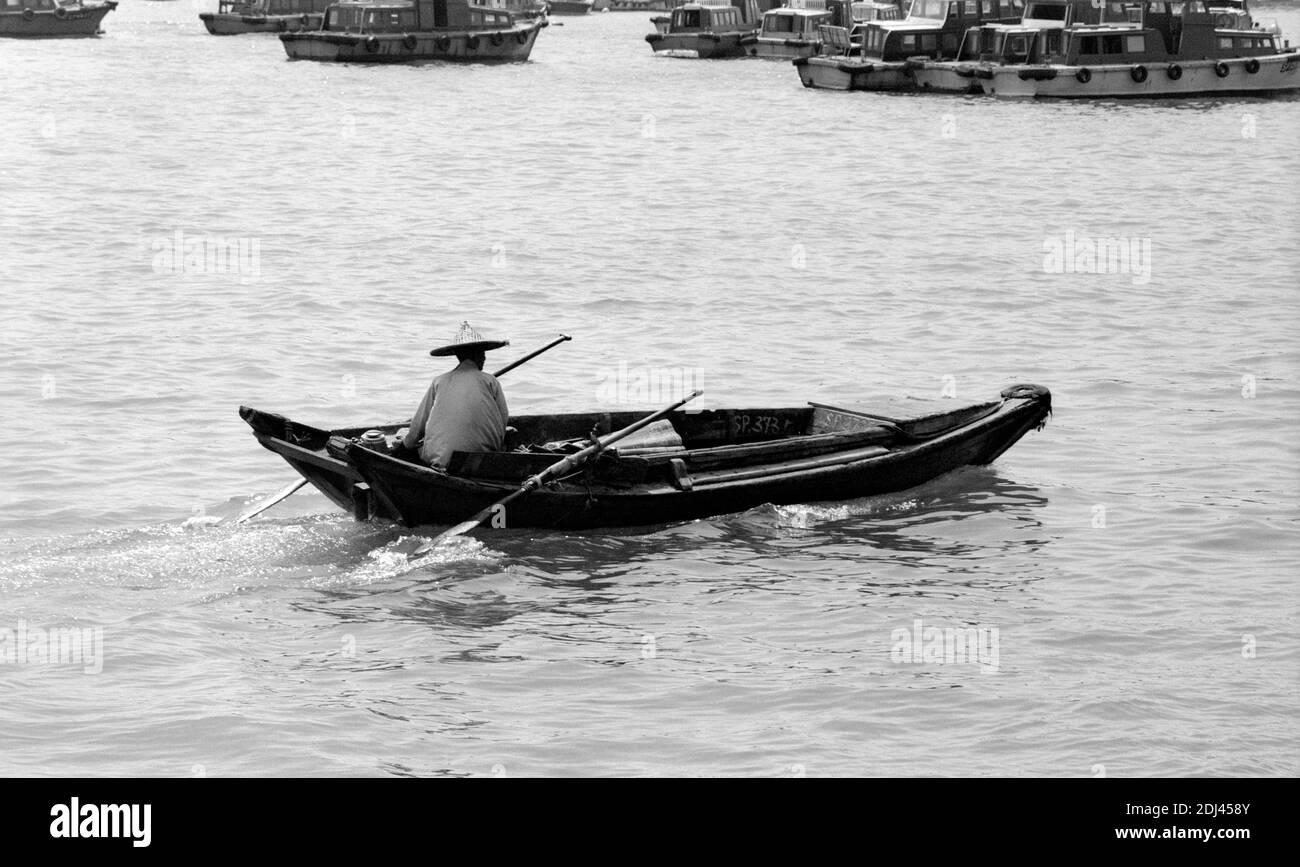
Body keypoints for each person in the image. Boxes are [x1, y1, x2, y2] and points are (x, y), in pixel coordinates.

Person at [402, 322, 510, 469]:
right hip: (482, 462)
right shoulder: (490, 381)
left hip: (440, 461)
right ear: (475, 354)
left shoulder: (439, 381)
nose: (484, 358)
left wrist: (404, 447)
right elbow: (502, 422)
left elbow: (417, 428)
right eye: (482, 353)